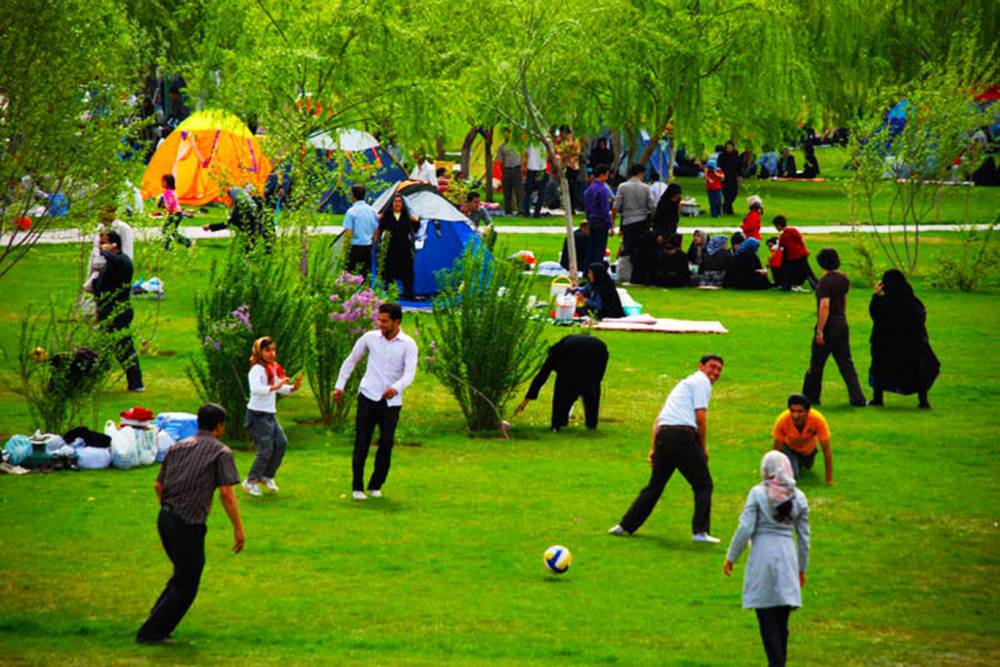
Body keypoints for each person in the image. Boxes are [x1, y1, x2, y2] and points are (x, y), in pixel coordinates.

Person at [136, 403, 245, 644]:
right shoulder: (221, 452)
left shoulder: (177, 447)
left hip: (165, 518)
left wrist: (170, 508)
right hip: (189, 523)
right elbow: (226, 493)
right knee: (187, 583)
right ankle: (151, 633)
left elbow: (158, 486)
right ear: (220, 425)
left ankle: (156, 623)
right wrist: (238, 527)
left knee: (182, 576)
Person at [609, 355, 724, 541]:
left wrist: (654, 447)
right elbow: (701, 417)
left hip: (665, 436)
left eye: (719, 369)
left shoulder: (684, 385)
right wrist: (702, 448)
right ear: (701, 367)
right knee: (703, 484)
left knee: (655, 486)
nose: (715, 373)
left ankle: (625, 526)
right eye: (712, 367)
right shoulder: (701, 382)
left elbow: (659, 419)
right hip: (683, 436)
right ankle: (700, 532)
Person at [723, 451, 810, 667]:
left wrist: (731, 557)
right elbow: (804, 538)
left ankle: (776, 664)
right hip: (788, 557)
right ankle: (779, 662)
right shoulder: (799, 497)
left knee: (767, 618)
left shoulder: (758, 493)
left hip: (763, 555)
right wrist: (802, 567)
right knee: (782, 619)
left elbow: (745, 528)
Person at [334, 303, 418, 500]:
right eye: (379, 320)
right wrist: (340, 385)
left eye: (385, 321)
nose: (380, 324)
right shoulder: (370, 338)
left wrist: (396, 388)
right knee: (361, 442)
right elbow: (351, 360)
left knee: (387, 442)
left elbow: (410, 374)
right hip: (368, 396)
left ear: (396, 322)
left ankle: (375, 485)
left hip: (391, 402)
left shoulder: (408, 344)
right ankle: (357, 487)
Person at [803, 248, 867, 407]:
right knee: (846, 363)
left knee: (817, 363)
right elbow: (843, 299)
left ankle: (811, 397)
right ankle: (857, 397)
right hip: (841, 323)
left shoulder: (824, 282)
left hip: (829, 325)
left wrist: (820, 330)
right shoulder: (843, 278)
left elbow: (824, 306)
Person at [868, 269, 940, 409]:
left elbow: (875, 315)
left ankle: (878, 398)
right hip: (911, 344)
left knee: (880, 368)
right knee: (917, 370)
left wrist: (876, 295)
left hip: (885, 343)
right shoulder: (912, 301)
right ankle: (923, 401)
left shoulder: (884, 302)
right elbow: (922, 317)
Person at [242, 337, 303, 497]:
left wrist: (291, 388)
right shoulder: (256, 369)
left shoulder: (272, 368)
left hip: (270, 414)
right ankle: (250, 481)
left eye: (273, 350)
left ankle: (267, 476)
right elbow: (256, 389)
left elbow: (279, 387)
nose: (271, 353)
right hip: (257, 415)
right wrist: (276, 386)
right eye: (267, 350)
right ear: (259, 352)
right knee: (265, 449)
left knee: (281, 443)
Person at [515, 335, 609, 431]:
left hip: (574, 351)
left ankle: (557, 423)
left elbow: (541, 377)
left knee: (562, 390)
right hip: (600, 350)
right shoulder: (562, 347)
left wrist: (525, 401)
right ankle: (591, 423)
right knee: (592, 387)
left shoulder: (555, 355)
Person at [90, 230, 144, 392]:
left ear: (114, 245)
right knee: (103, 347)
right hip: (107, 310)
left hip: (118, 311)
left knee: (124, 348)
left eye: (103, 242)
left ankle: (136, 383)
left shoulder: (122, 261)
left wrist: (106, 251)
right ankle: (93, 379)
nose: (100, 246)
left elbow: (113, 261)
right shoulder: (110, 263)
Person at [772, 394, 833, 484]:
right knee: (793, 476)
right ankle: (791, 461)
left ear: (808, 411)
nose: (795, 415)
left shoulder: (818, 420)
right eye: (792, 411)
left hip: (808, 450)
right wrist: (773, 475)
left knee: (807, 466)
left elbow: (826, 450)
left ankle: (799, 461)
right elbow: (776, 451)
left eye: (800, 411)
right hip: (789, 447)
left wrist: (828, 479)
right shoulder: (782, 420)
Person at [375, 195, 420, 300]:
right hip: (391, 248)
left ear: (403, 204)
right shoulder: (387, 216)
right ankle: (389, 294)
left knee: (407, 272)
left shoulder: (407, 216)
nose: (397, 204)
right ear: (392, 203)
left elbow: (415, 230)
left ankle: (408, 295)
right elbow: (379, 228)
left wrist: (416, 221)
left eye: (400, 202)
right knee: (389, 272)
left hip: (404, 248)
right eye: (395, 201)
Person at [615, 163, 655, 257]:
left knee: (628, 248)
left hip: (628, 221)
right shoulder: (646, 188)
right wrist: (652, 219)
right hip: (642, 221)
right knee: (641, 248)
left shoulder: (622, 187)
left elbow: (616, 205)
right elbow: (652, 206)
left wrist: (612, 221)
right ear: (640, 173)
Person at [342, 185, 379, 276]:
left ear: (353, 196)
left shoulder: (351, 211)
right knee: (366, 275)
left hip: (354, 247)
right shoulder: (372, 211)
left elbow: (348, 232)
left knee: (351, 275)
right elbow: (376, 230)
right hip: (367, 247)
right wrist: (372, 243)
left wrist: (344, 250)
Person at [773, 215, 818, 291]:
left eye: (776, 226)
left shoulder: (791, 231)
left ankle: (816, 285)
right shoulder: (783, 235)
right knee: (791, 271)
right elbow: (780, 247)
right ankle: (786, 286)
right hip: (794, 257)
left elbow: (801, 239)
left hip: (799, 255)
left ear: (779, 225)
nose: (776, 228)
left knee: (807, 271)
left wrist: (806, 249)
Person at [583, 164, 614, 267]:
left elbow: (587, 208)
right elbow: (605, 209)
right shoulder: (603, 190)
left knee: (591, 247)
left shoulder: (589, 189)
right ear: (602, 175)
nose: (607, 178)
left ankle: (587, 270)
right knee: (599, 249)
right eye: (606, 175)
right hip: (601, 222)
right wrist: (610, 225)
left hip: (591, 220)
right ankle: (596, 270)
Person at [497, 131, 524, 215]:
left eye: (508, 133)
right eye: (504, 133)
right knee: (507, 191)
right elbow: (500, 161)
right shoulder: (502, 147)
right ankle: (508, 210)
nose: (506, 135)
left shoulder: (518, 145)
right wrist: (503, 171)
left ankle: (521, 210)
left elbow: (524, 156)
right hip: (507, 170)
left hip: (517, 169)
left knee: (519, 191)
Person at [160, 174, 191, 249]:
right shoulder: (172, 191)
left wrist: (168, 211)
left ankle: (167, 246)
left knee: (166, 229)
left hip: (174, 214)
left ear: (168, 183)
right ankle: (186, 242)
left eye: (163, 181)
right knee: (172, 231)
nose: (161, 183)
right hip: (178, 214)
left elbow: (169, 204)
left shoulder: (167, 192)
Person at [557, 126, 582, 213]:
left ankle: (572, 207)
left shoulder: (573, 140)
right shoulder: (563, 141)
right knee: (567, 187)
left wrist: (566, 153)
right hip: (566, 166)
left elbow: (576, 153)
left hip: (572, 166)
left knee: (572, 188)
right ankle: (568, 206)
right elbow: (559, 151)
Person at [522, 141, 547, 217]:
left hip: (536, 168)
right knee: (540, 192)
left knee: (530, 192)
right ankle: (534, 212)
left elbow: (525, 154)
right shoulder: (544, 141)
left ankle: (529, 212)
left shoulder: (530, 141)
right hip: (537, 168)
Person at [718, 141, 742, 215]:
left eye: (730, 147)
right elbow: (719, 166)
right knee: (726, 193)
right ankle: (728, 209)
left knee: (734, 193)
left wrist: (739, 177)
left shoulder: (736, 156)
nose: (729, 149)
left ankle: (726, 206)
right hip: (725, 177)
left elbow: (739, 167)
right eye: (728, 147)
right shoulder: (722, 156)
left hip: (733, 177)